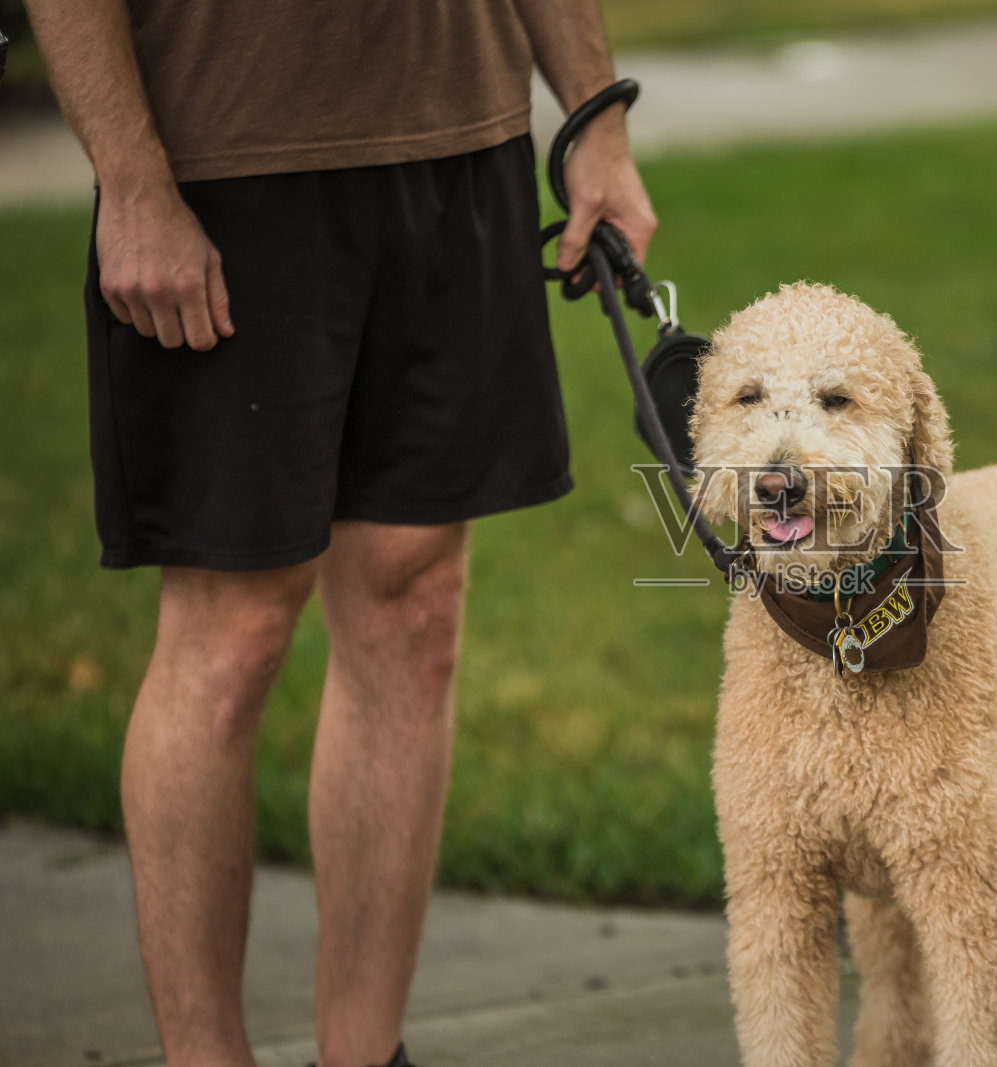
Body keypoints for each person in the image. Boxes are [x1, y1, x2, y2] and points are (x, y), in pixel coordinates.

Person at [21, 2, 657, 1065]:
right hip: (226, 159)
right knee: (232, 631)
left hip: (462, 142)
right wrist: (132, 183)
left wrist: (594, 115)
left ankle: (366, 1054)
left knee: (415, 601)